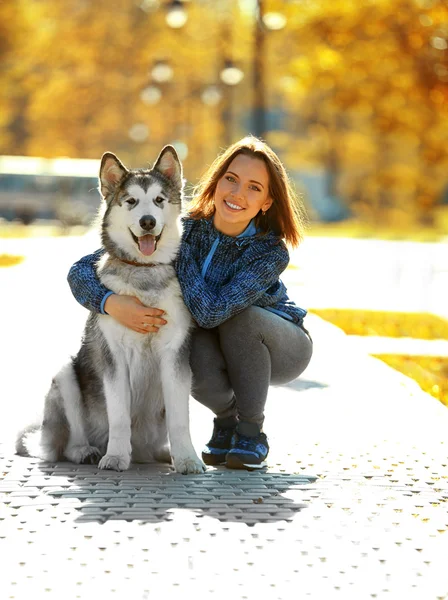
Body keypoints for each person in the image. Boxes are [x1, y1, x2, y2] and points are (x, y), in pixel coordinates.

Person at [67, 136, 313, 470]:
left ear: (268, 201)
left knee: (243, 320)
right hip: (221, 342)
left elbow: (212, 312)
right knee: (187, 346)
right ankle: (227, 422)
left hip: (279, 345)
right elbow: (82, 269)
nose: (238, 193)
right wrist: (109, 302)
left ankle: (251, 431)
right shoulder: (186, 229)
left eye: (254, 188)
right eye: (231, 179)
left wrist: (174, 254)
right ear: (217, 183)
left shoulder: (268, 252)